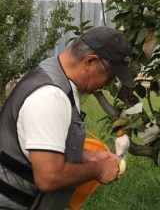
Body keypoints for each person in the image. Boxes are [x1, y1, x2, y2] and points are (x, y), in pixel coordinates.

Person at [0, 26, 136, 210]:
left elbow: (36, 144)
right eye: (110, 76)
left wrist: (87, 156)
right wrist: (98, 170)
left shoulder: (54, 73)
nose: (107, 84)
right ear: (90, 62)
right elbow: (49, 177)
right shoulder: (50, 97)